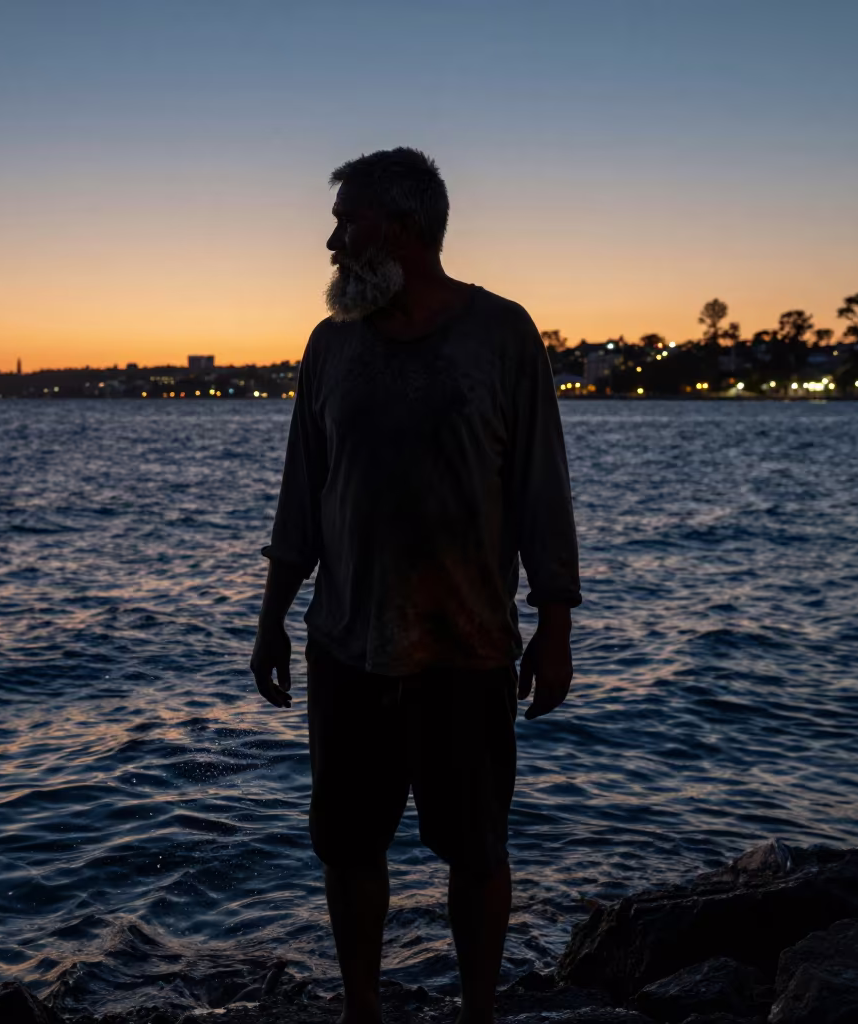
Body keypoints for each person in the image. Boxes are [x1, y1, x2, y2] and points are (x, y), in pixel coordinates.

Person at [250, 147, 581, 1024]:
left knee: (475, 849)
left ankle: (479, 1013)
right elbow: (302, 493)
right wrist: (271, 617)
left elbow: (541, 490)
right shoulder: (331, 347)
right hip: (348, 646)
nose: (331, 241)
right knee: (350, 848)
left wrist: (556, 625)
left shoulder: (502, 334)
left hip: (467, 646)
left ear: (401, 229)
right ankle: (364, 1008)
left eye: (346, 221)